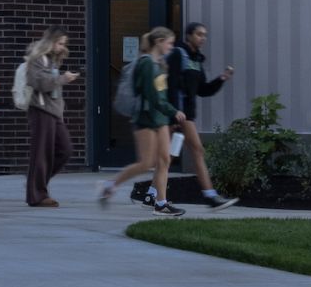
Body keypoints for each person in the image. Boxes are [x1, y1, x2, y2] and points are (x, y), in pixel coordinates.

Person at [100, 28, 181, 212]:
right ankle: (110, 185)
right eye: (169, 43)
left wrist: (168, 112)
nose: (171, 47)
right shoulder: (146, 64)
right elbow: (152, 96)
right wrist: (173, 111)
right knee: (146, 163)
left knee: (164, 160)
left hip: (159, 118)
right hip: (145, 118)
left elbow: (160, 93)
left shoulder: (158, 64)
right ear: (159, 41)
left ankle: (161, 203)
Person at [162, 26, 236, 209]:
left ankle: (152, 194)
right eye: (199, 34)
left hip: (186, 114)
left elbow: (202, 90)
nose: (203, 38)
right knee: (195, 151)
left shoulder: (196, 60)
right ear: (189, 36)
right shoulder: (178, 55)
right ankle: (209, 196)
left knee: (169, 156)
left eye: (205, 35)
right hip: (177, 113)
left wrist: (221, 79)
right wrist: (174, 114)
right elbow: (170, 85)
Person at [14, 30, 74, 207]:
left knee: (65, 149)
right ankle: (37, 195)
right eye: (60, 43)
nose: (63, 47)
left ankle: (35, 182)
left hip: (54, 112)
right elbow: (38, 82)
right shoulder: (37, 58)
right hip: (40, 110)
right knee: (41, 153)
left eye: (64, 44)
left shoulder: (53, 60)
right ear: (51, 42)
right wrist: (63, 78)